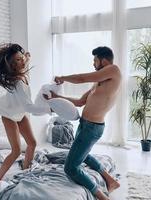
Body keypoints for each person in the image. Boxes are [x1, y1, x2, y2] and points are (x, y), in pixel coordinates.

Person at [44, 46, 121, 200]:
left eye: (95, 60)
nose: (93, 64)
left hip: (92, 128)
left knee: (70, 168)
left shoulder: (114, 70)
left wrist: (63, 78)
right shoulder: (98, 83)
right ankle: (110, 181)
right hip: (84, 125)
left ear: (104, 60)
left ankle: (102, 197)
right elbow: (79, 102)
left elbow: (82, 78)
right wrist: (56, 98)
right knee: (82, 155)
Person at [0, 43, 51, 181]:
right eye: (18, 60)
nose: (22, 60)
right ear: (12, 65)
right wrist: (50, 109)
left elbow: (26, 59)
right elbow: (30, 108)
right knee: (16, 151)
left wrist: (26, 56)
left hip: (20, 113)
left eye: (21, 57)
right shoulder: (17, 82)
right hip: (9, 116)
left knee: (32, 143)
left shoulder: (22, 70)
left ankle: (26, 169)